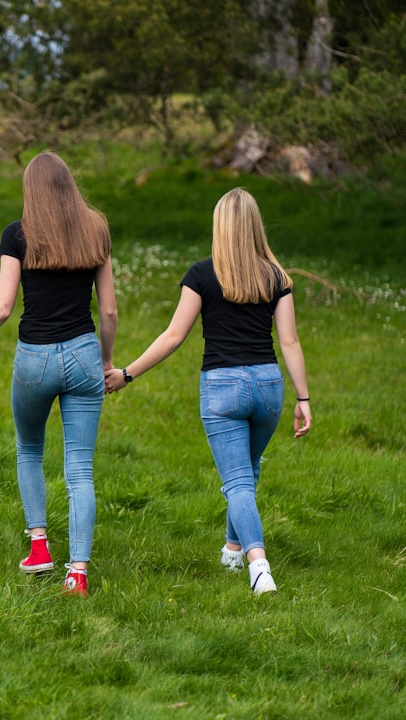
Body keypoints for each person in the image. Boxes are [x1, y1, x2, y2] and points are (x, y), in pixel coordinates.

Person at [105, 187, 311, 596]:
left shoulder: (201, 274)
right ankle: (233, 549)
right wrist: (303, 398)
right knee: (247, 473)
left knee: (236, 481)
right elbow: (290, 342)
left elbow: (173, 336)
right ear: (255, 227)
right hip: (268, 385)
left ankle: (259, 566)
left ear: (219, 226)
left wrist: (128, 373)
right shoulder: (276, 276)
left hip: (223, 389)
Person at [0, 152, 117, 597]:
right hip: (83, 352)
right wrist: (105, 360)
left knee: (29, 449)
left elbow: (2, 307)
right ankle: (77, 573)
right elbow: (109, 310)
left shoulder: (17, 235)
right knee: (80, 469)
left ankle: (39, 547)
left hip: (34, 358)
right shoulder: (96, 228)